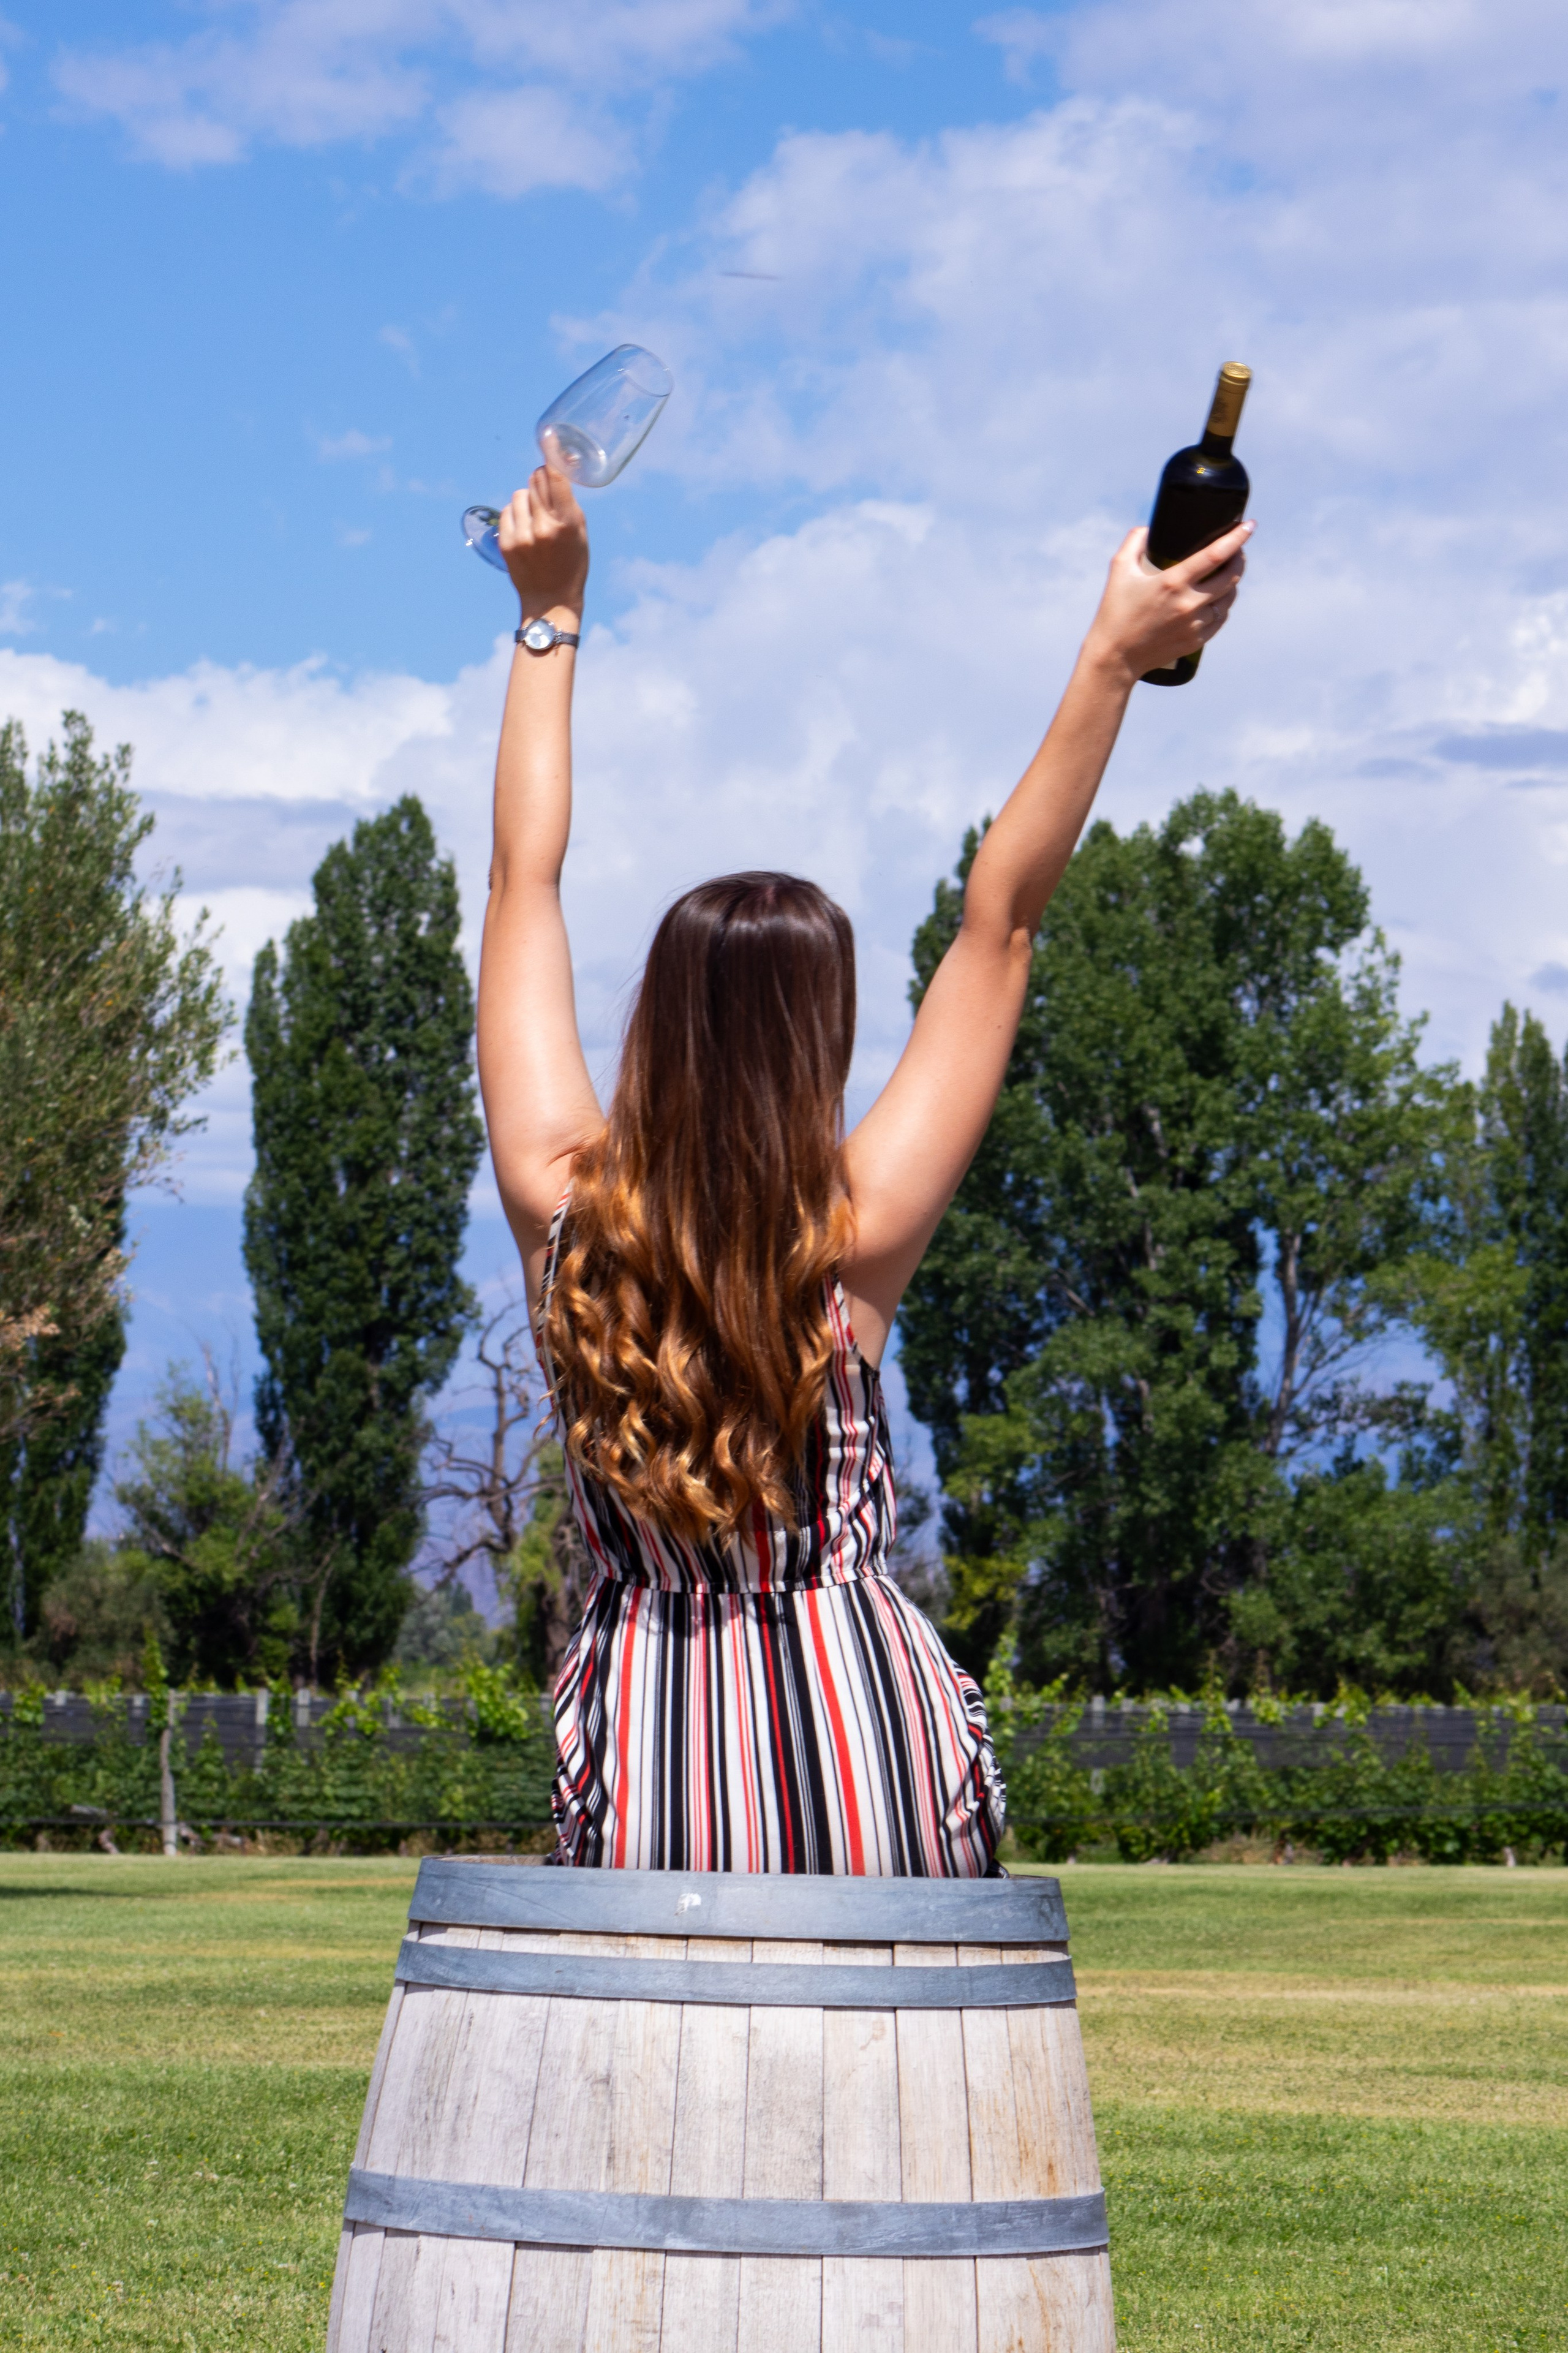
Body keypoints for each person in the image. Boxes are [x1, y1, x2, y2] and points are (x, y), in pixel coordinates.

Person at [478, 465, 1250, 1875]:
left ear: (658, 1017)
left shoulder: (560, 1204)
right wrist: (1110, 658)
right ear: (819, 1044)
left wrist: (551, 614)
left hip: (656, 1741)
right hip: (865, 1741)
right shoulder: (849, 1238)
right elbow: (999, 921)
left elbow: (522, 878)